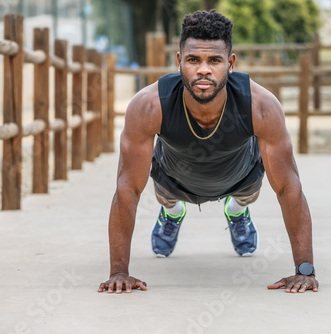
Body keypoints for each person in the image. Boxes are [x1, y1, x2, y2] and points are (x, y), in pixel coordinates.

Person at [98, 10, 318, 294]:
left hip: (240, 176)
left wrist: (305, 270)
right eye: (193, 60)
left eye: (214, 60)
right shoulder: (149, 106)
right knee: (166, 198)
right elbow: (127, 187)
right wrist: (119, 272)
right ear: (179, 62)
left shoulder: (261, 106)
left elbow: (289, 187)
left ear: (230, 63)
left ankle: (237, 212)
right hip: (174, 178)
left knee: (248, 194)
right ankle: (173, 213)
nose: (203, 69)